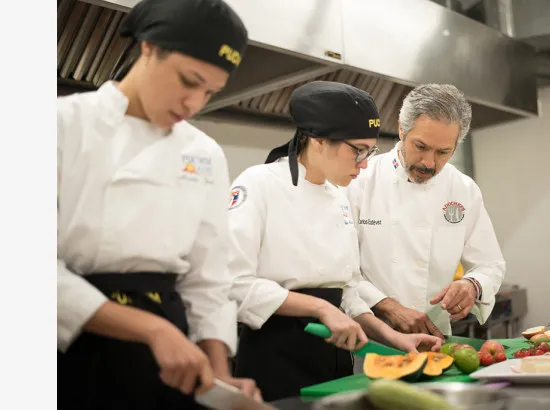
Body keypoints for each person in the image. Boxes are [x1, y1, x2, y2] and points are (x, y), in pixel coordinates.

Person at [56, 0, 261, 408]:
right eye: (189, 80)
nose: (194, 104)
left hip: (172, 353)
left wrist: (219, 370)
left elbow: (208, 280)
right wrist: (152, 330)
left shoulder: (204, 152)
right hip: (69, 340)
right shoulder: (61, 125)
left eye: (210, 92)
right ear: (149, 47)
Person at [226, 81, 443, 401]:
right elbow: (233, 282)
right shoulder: (258, 184)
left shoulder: (338, 197)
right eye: (358, 151)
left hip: (336, 359)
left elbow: (347, 292)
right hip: (275, 355)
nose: (365, 163)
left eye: (370, 151)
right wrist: (318, 307)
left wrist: (394, 338)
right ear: (317, 141)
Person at [347, 84, 506, 339]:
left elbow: (490, 264)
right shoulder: (359, 180)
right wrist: (388, 307)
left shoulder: (463, 189)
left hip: (435, 338)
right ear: (401, 129)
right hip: (369, 341)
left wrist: (472, 285)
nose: (429, 163)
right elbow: (341, 272)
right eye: (420, 146)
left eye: (443, 152)